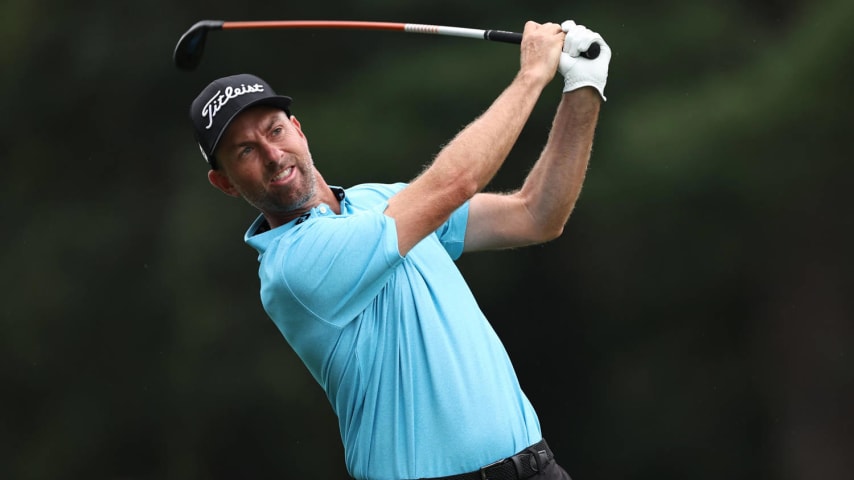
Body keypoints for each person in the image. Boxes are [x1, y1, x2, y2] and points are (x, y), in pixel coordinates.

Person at [188, 19, 610, 480]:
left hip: (538, 466)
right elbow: (453, 183)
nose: (272, 154)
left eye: (274, 131)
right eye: (245, 151)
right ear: (224, 183)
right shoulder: (292, 267)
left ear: (298, 130)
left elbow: (536, 215)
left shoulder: (379, 202)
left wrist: (583, 87)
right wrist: (531, 76)